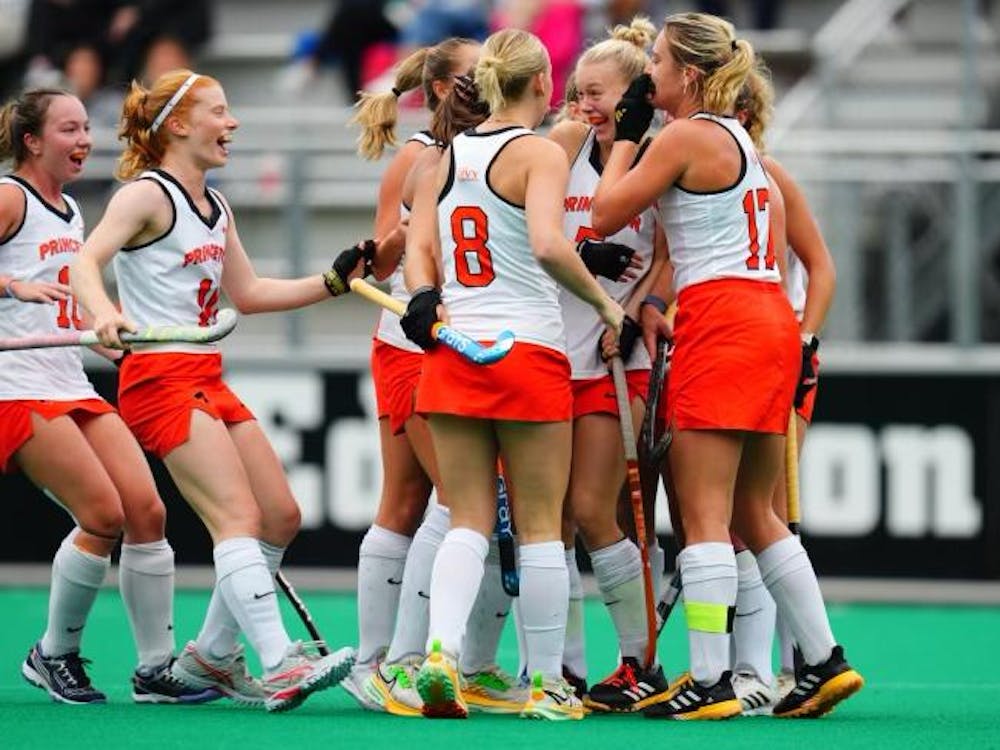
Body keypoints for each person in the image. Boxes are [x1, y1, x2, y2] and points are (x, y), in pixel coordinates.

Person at [592, 12, 862, 719]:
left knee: (705, 517)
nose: (648, 72)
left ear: (690, 74)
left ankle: (712, 678)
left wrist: (624, 138)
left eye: (656, 61)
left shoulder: (684, 135)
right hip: (768, 319)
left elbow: (603, 214)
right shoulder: (743, 141)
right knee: (755, 511)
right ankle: (825, 660)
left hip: (723, 322)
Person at [69, 70, 355, 713]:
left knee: (281, 515)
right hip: (159, 379)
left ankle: (211, 658)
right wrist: (101, 314)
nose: (233, 123)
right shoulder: (146, 195)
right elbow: (86, 261)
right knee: (238, 520)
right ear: (177, 125)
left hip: (206, 375)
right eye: (219, 112)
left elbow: (249, 295)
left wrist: (333, 281)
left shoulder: (216, 206)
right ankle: (279, 662)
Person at [401, 27, 624, 720]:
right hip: (527, 350)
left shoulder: (443, 156)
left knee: (465, 519)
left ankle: (440, 653)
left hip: (454, 351)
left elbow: (417, 247)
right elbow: (549, 244)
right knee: (538, 526)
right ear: (542, 85)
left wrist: (423, 297)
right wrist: (604, 302)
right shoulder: (537, 151)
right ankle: (548, 683)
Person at [0, 87, 216, 706]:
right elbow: (27, 288)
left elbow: (72, 303)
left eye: (85, 128)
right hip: (16, 387)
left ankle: (154, 669)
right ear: (32, 141)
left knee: (147, 513)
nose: (84, 141)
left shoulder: (69, 209)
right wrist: (13, 286)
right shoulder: (10, 197)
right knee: (102, 515)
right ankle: (53, 653)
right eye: (68, 130)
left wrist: (116, 338)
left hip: (68, 377)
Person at [340, 39, 513, 717]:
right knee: (447, 499)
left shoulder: (491, 152)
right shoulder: (418, 156)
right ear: (443, 88)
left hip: (458, 344)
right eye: (476, 73)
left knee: (419, 501)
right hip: (411, 346)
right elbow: (386, 256)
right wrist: (388, 248)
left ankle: (406, 662)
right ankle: (393, 661)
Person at [545, 16, 671, 712]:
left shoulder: (655, 157)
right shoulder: (559, 152)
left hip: (612, 362)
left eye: (598, 93)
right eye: (578, 90)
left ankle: (638, 661)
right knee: (551, 519)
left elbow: (673, 253)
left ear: (633, 99)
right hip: (546, 357)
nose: (584, 104)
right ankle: (564, 669)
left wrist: (641, 305)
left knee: (597, 511)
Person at [727, 59, 838, 711]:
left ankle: (756, 670)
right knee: (738, 515)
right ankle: (754, 668)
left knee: (756, 512)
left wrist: (804, 340)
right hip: (738, 353)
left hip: (779, 355)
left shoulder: (770, 178)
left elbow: (821, 270)